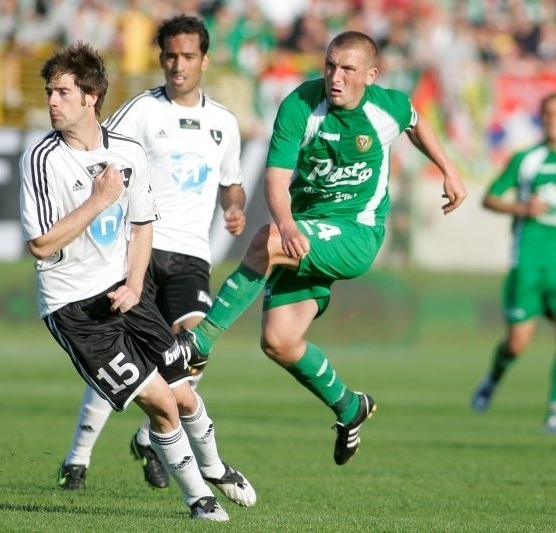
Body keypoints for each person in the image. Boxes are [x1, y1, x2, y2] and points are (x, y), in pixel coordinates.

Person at [180, 30, 468, 465]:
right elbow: (276, 181)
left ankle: (199, 343)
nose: (335, 76)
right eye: (330, 65)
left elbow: (415, 121)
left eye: (348, 69)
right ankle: (350, 408)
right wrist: (290, 223)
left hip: (356, 232)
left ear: (371, 74)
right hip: (307, 227)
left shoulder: (384, 107)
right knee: (279, 341)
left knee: (267, 241)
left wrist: (449, 169)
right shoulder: (300, 105)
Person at [19, 42, 253, 522]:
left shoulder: (127, 151)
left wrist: (134, 283)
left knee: (185, 392)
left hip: (126, 294)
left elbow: (143, 223)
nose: (52, 101)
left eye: (62, 92)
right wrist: (99, 200)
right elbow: (41, 245)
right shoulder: (42, 159)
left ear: (92, 97)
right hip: (75, 309)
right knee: (163, 404)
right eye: (49, 92)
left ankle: (216, 469)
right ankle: (198, 502)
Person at [470, 92, 556, 438]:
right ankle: (491, 380)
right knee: (517, 343)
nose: (554, 120)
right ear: (542, 119)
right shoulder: (526, 160)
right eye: (548, 114)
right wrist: (521, 210)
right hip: (528, 262)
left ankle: (555, 414)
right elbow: (490, 197)